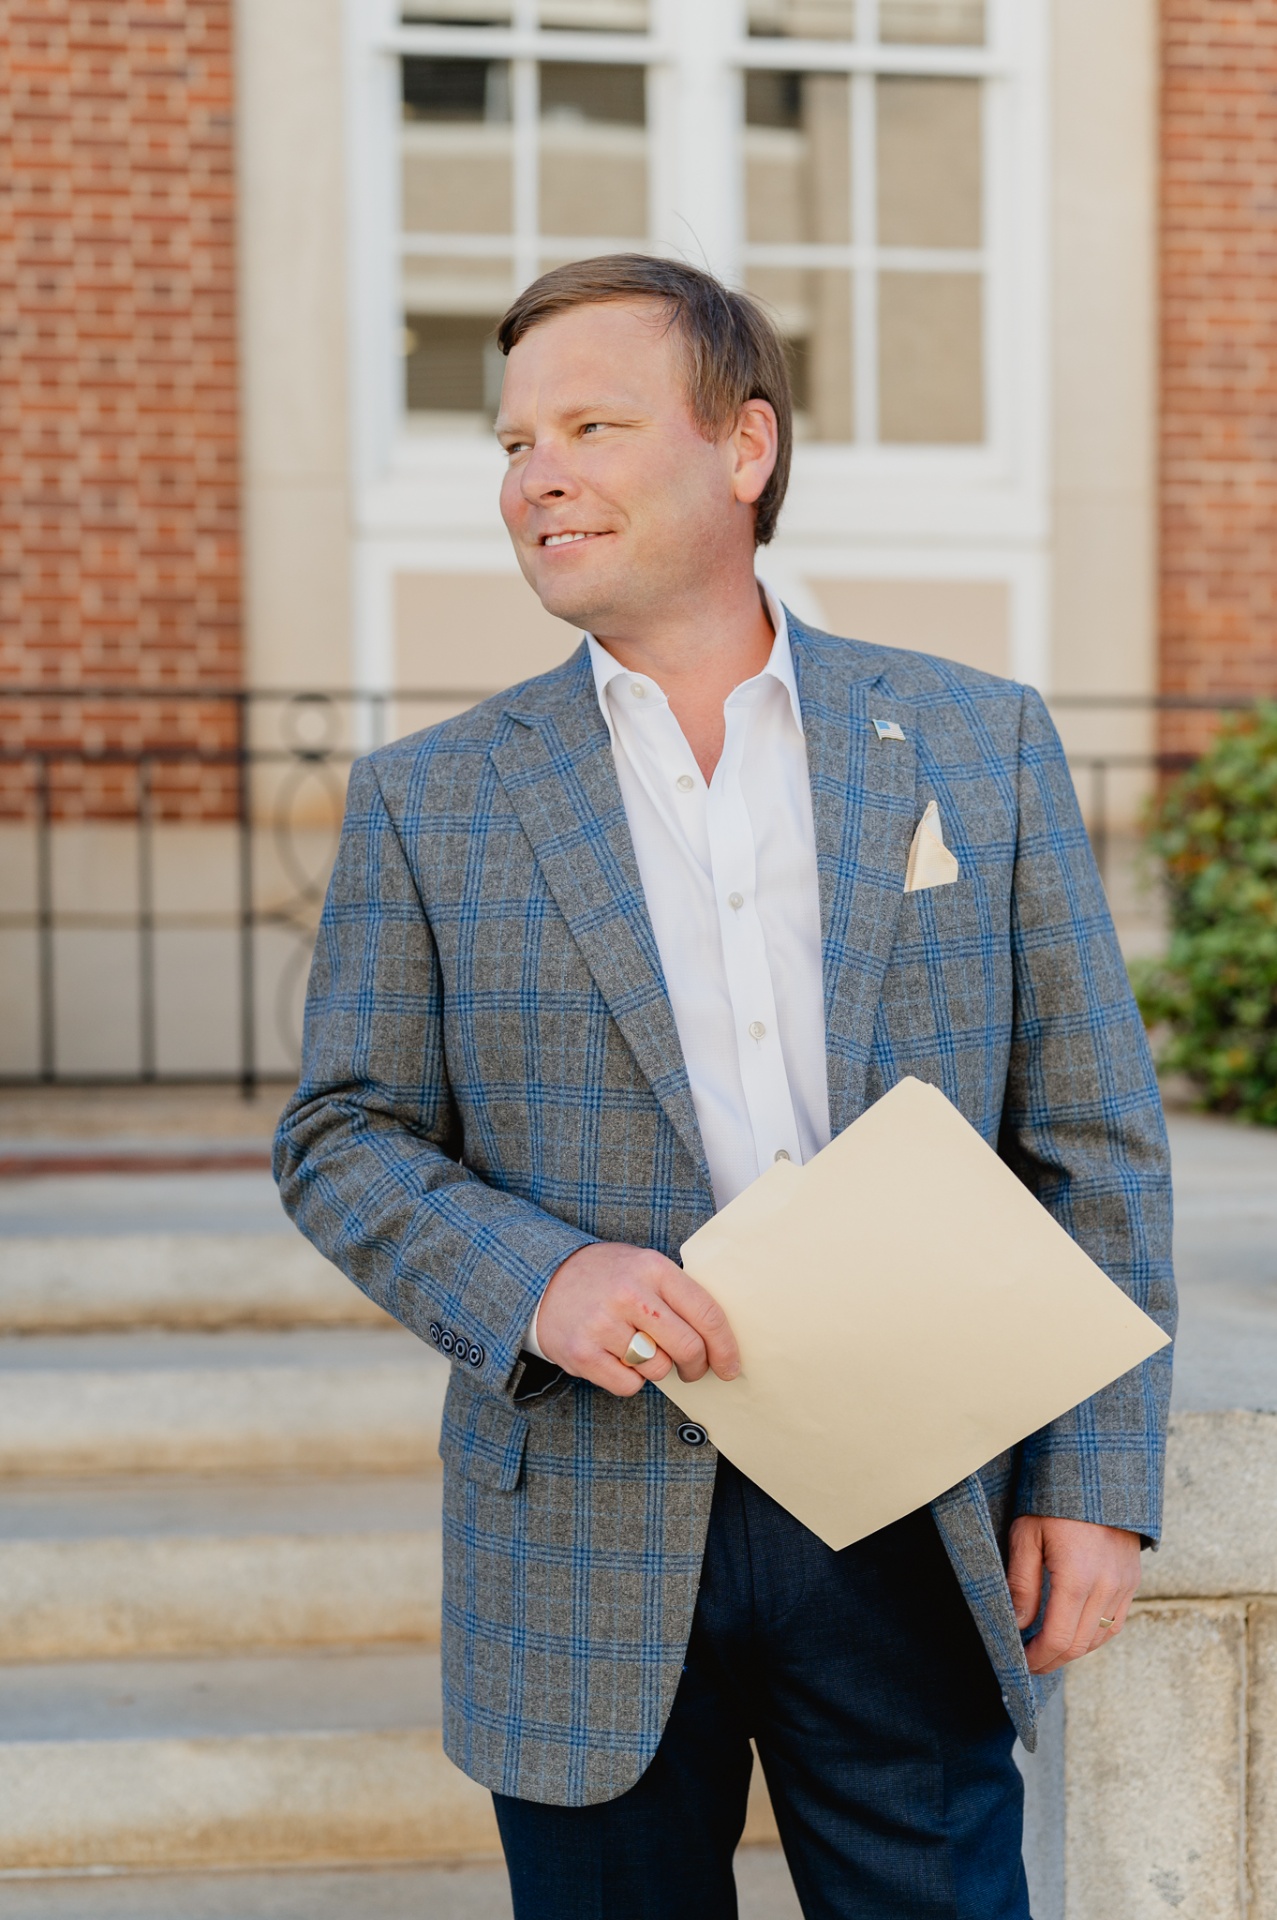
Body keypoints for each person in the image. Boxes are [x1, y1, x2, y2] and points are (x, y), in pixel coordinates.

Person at [274, 255, 1175, 1919]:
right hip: (583, 1523)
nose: (535, 476)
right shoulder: (428, 798)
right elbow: (341, 1134)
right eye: (513, 443)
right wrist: (538, 1278)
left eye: (590, 426)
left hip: (915, 1499)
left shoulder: (975, 741)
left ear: (742, 447)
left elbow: (1092, 1138)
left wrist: (1095, 1480)